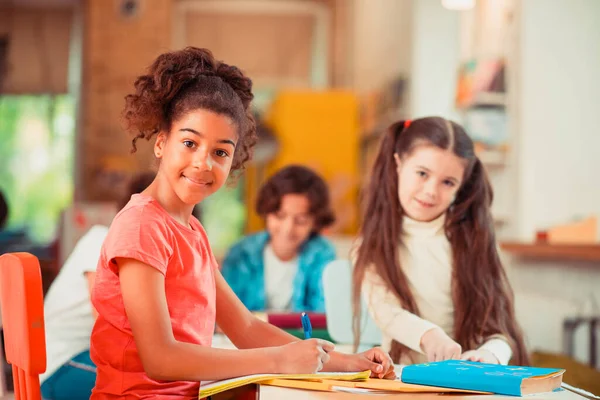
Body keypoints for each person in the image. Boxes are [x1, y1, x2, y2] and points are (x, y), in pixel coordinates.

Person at [90, 47, 395, 400]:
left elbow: (246, 327)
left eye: (220, 152)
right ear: (161, 143)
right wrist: (279, 359)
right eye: (189, 142)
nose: (203, 162)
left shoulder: (191, 231)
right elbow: (160, 358)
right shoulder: (142, 225)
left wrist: (346, 361)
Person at [352, 117, 529, 366]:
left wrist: (491, 355)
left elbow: (501, 333)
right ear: (398, 163)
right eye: (422, 173)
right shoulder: (371, 245)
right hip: (403, 379)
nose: (431, 191)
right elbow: (387, 314)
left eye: (448, 182)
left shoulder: (475, 239)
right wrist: (430, 336)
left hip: (467, 385)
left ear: (461, 185)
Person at [40, 172, 155, 400]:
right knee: (151, 388)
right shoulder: (101, 239)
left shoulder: (146, 259)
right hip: (63, 364)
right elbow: (109, 327)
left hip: (92, 359)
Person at [222, 165, 335, 312]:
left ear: (315, 222)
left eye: (301, 220)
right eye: (280, 216)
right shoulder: (241, 253)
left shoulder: (322, 255)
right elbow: (226, 313)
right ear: (266, 212)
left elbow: (324, 314)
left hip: (300, 336)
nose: (288, 229)